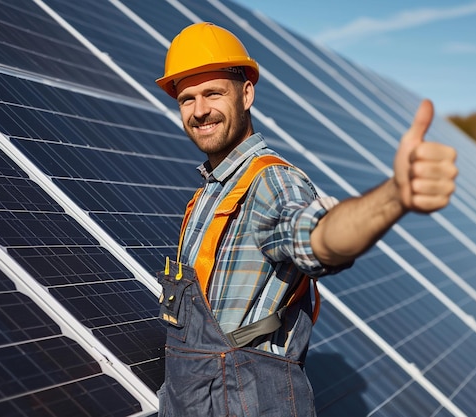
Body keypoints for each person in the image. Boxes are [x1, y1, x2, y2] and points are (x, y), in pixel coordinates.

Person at [154, 22, 458, 417]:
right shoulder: (206, 196)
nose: (199, 111)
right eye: (187, 99)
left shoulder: (270, 184)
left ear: (246, 94)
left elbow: (320, 237)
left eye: (213, 93)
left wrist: (395, 196)